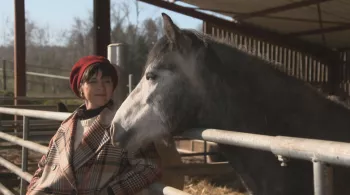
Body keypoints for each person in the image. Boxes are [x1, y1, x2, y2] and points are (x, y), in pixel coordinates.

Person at [26, 55, 162, 195]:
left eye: (107, 81)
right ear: (81, 88)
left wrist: (111, 192)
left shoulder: (125, 125)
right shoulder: (66, 126)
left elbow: (150, 167)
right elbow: (43, 165)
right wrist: (33, 187)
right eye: (93, 82)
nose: (101, 87)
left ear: (113, 86)